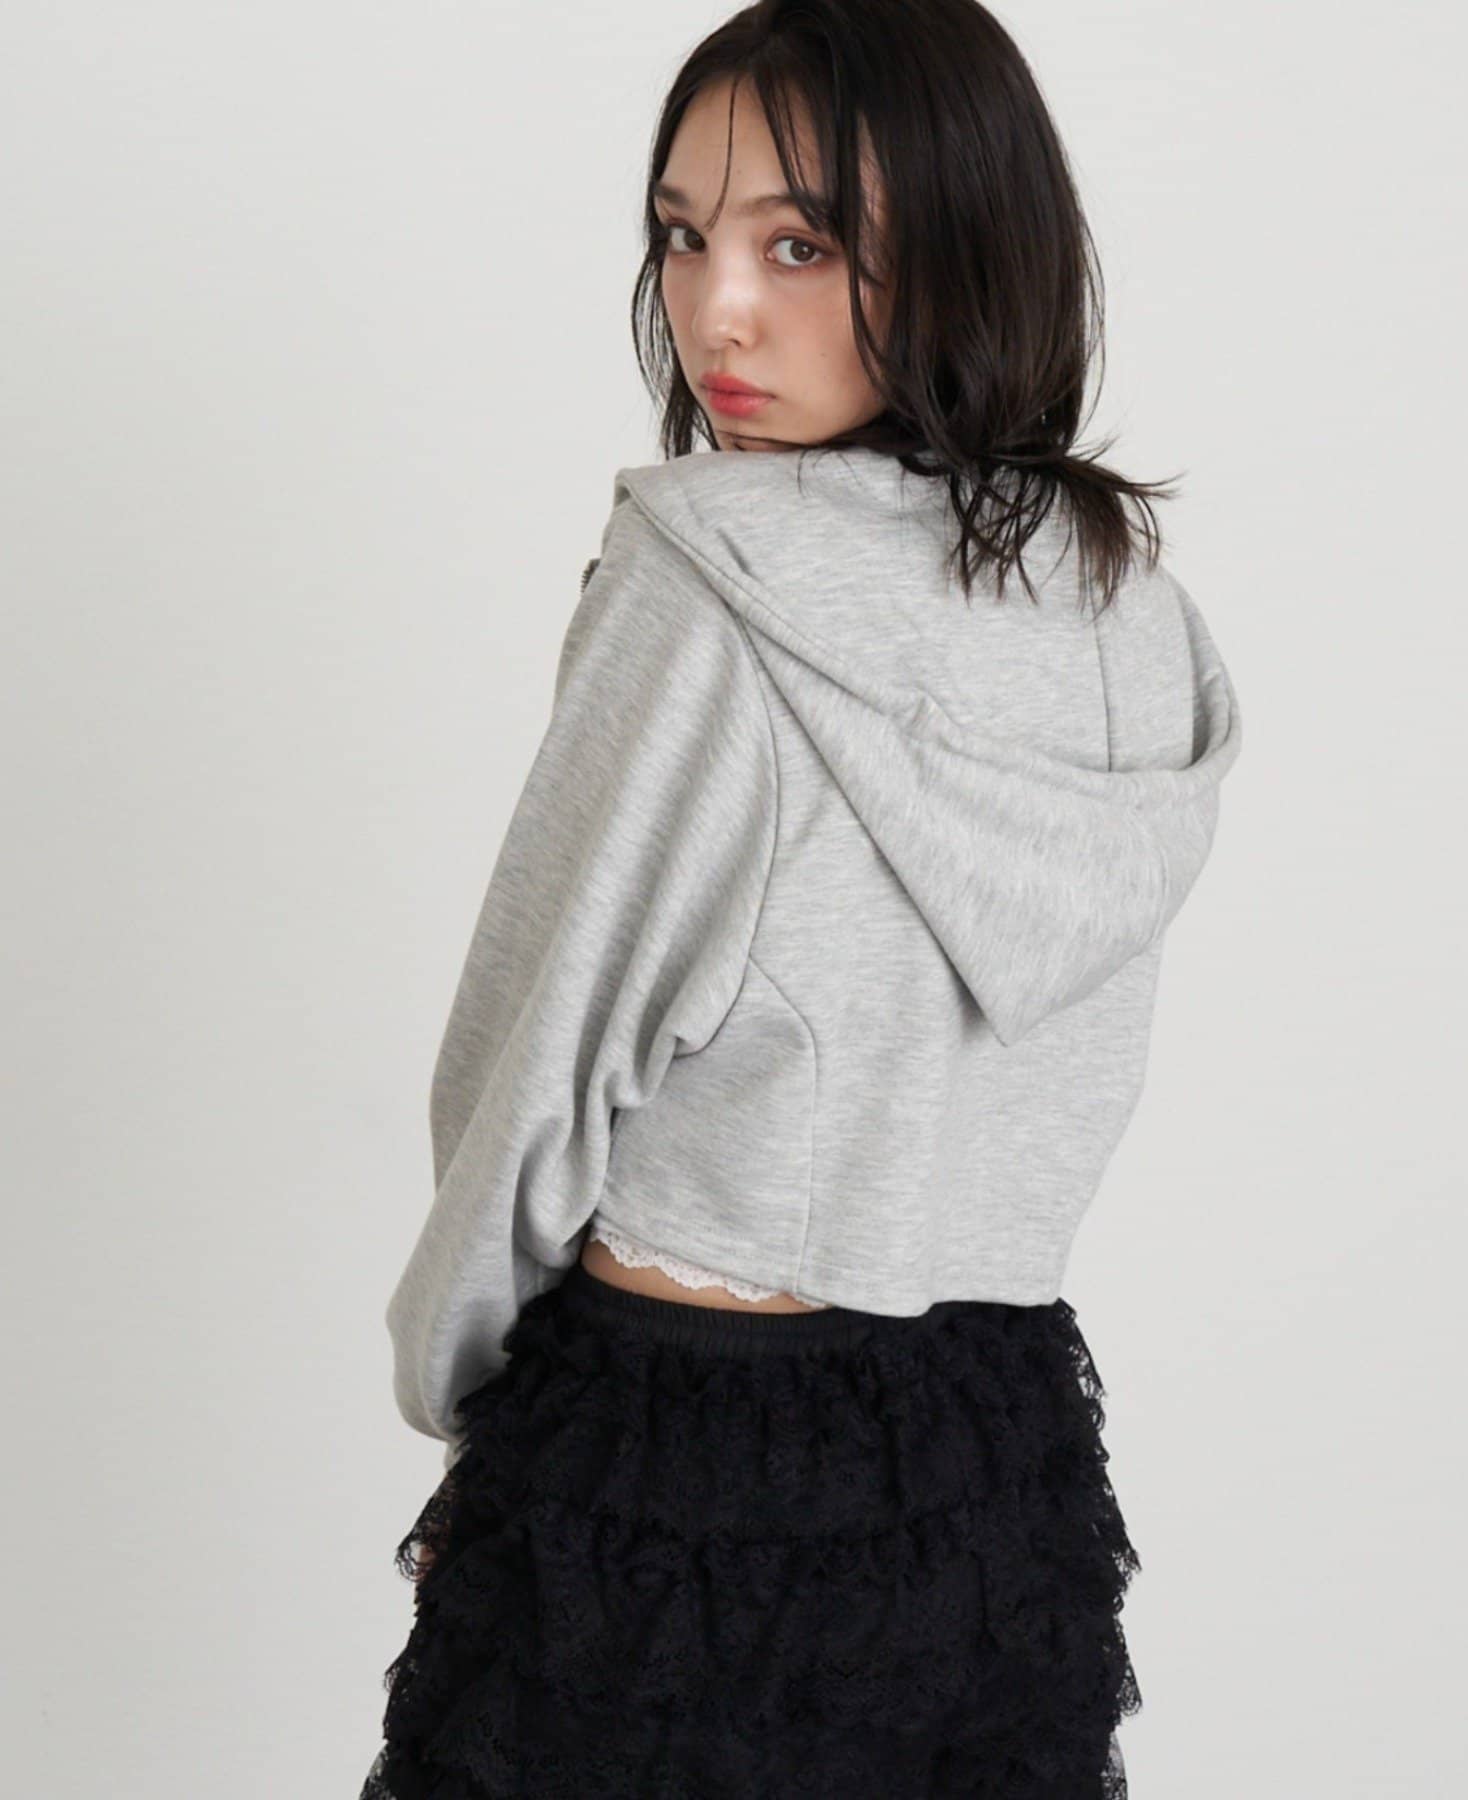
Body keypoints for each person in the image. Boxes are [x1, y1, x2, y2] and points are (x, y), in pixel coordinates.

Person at [360, 2, 1243, 1794]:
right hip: (993, 1466)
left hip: (667, 1451)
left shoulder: (712, 582)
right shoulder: (1129, 613)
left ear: (968, 240)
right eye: (684, 237)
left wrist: (469, 1406)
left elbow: (540, 1053)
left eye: (801, 244)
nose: (717, 313)